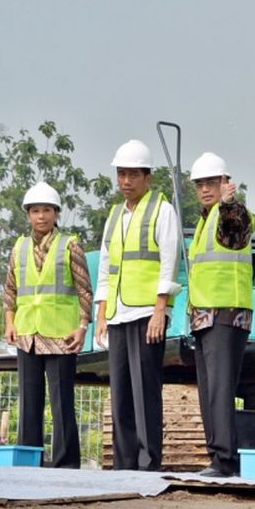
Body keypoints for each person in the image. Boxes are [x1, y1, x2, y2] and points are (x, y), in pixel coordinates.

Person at [94, 139, 180, 471]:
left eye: (132, 174)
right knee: (121, 393)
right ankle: (123, 463)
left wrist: (161, 310)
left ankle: (148, 463)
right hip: (117, 313)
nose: (125, 181)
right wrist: (102, 313)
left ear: (147, 177)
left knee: (145, 392)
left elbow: (169, 261)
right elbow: (105, 266)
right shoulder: (115, 215)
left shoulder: (162, 210)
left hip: (147, 312)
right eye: (121, 174)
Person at [3, 181, 92, 469]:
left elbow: (84, 290)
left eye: (46, 210)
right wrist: (9, 322)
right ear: (28, 215)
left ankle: (66, 464)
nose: (40, 216)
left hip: (60, 334)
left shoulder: (70, 245)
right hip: (27, 332)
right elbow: (9, 290)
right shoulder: (19, 248)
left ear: (56, 214)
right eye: (35, 211)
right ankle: (30, 461)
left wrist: (82, 326)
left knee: (61, 402)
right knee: (29, 401)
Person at [186, 151, 254, 477]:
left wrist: (229, 203)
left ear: (225, 182)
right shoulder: (203, 219)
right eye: (200, 184)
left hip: (226, 314)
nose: (205, 189)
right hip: (204, 316)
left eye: (211, 182)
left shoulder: (232, 213)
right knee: (209, 390)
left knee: (221, 389)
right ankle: (217, 455)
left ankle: (225, 459)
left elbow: (234, 231)